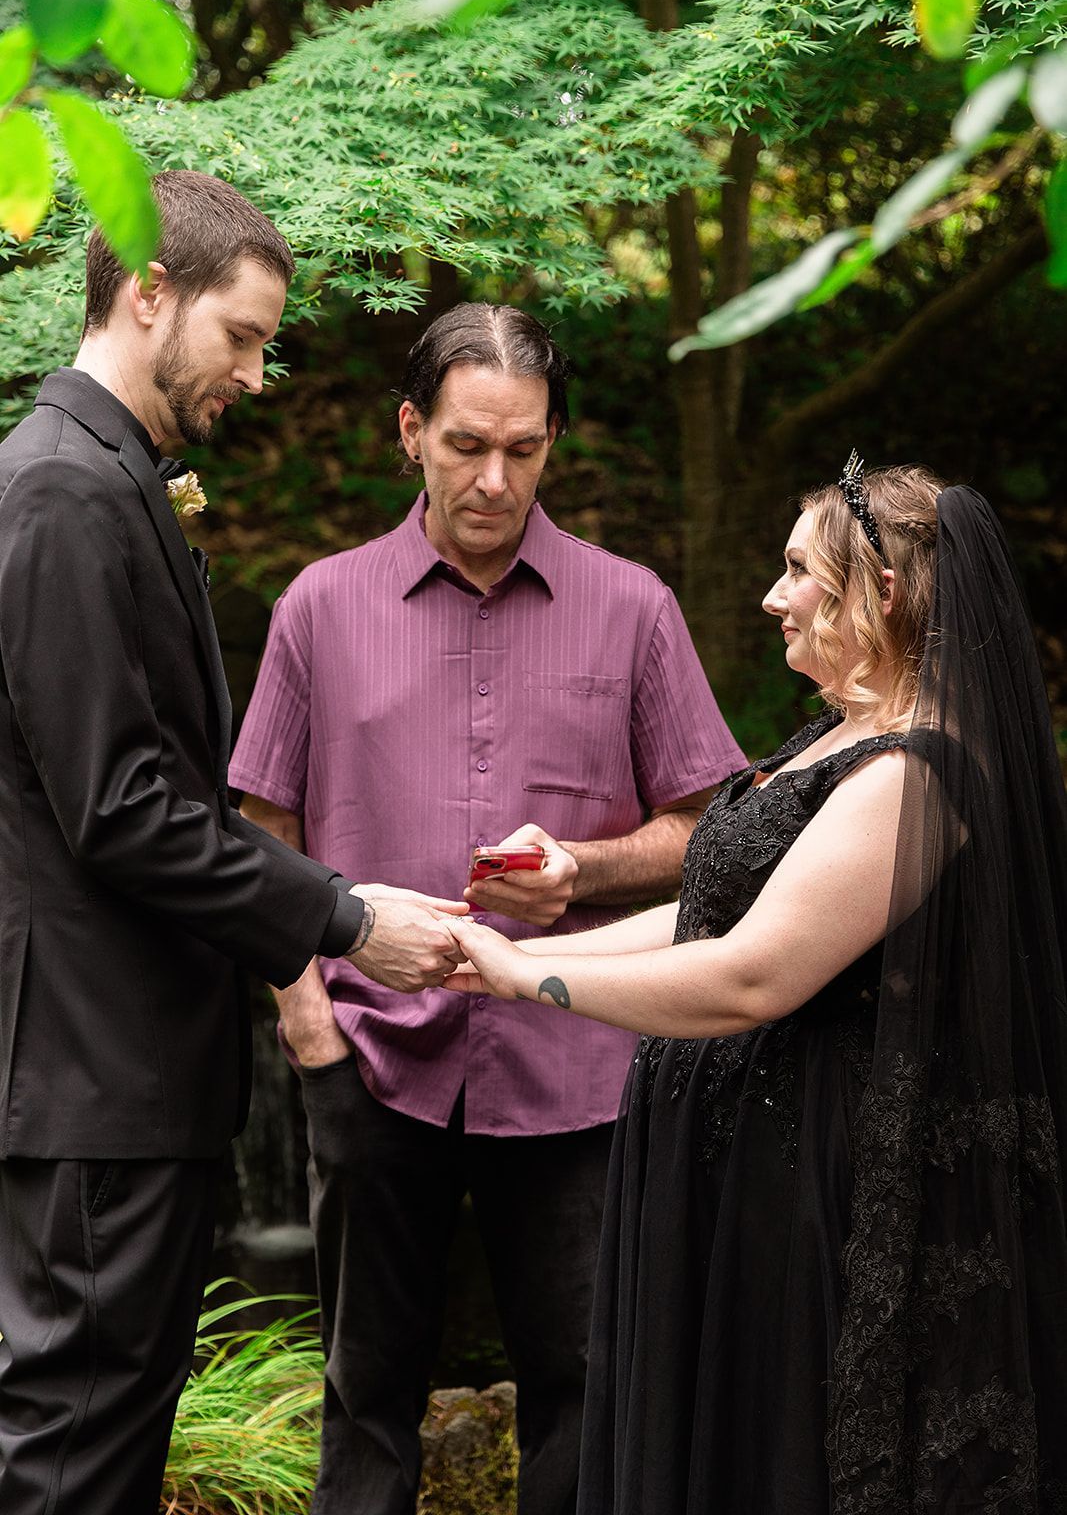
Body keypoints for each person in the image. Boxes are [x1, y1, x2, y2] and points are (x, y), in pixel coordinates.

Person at [444, 460, 1067, 1513]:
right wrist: (503, 951)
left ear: (879, 591)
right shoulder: (835, 735)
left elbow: (751, 974)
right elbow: (707, 915)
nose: (772, 596)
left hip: (804, 1190)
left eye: (795, 571)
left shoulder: (916, 773)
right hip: (723, 1181)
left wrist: (533, 976)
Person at [229, 302, 745, 1515]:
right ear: (411, 431)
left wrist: (583, 869)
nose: (492, 476)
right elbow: (264, 830)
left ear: (553, 442)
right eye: (465, 444)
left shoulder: (634, 610)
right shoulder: (318, 607)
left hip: (580, 1064)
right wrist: (307, 1025)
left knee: (583, 1386)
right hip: (367, 1053)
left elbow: (706, 835)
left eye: (521, 448)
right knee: (367, 1391)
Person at [0, 170, 465, 1515]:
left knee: (109, 1449)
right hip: (92, 1075)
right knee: (73, 1461)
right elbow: (119, 804)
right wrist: (338, 914)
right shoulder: (61, 494)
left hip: (128, 1079)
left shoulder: (110, 481)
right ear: (150, 292)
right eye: (243, 337)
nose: (259, 375)